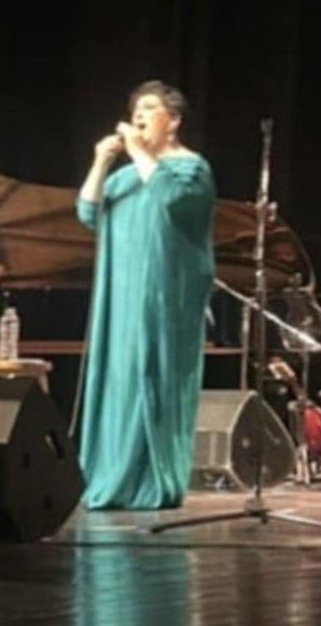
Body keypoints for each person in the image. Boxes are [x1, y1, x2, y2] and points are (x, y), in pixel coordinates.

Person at [75, 80, 217, 510]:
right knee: (118, 377)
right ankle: (111, 475)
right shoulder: (124, 175)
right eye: (135, 108)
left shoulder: (192, 169)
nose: (138, 114)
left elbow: (170, 196)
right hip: (121, 295)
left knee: (152, 371)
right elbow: (88, 212)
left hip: (165, 293)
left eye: (149, 108)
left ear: (172, 121)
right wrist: (101, 162)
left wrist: (138, 151)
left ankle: (155, 479)